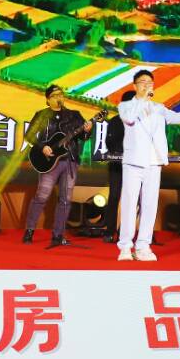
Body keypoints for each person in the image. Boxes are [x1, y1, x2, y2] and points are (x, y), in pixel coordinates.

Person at [116, 69, 180, 262]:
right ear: (135, 86)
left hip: (154, 161)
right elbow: (130, 120)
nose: (147, 85)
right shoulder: (125, 106)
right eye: (142, 82)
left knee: (149, 205)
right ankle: (125, 247)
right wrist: (142, 99)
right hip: (134, 162)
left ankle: (143, 246)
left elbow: (175, 118)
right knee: (129, 204)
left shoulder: (159, 108)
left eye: (150, 82)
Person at [22, 84, 86, 248]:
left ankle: (58, 235)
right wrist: (42, 146)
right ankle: (29, 230)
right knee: (42, 196)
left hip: (69, 160)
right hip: (49, 161)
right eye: (55, 95)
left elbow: (83, 136)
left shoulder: (74, 115)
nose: (59, 97)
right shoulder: (42, 115)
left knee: (65, 199)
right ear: (47, 99)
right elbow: (29, 135)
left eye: (61, 94)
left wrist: (88, 130)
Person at [100, 90, 134, 242]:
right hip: (116, 165)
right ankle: (109, 231)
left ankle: (124, 232)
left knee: (131, 199)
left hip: (134, 166)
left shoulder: (140, 121)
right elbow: (109, 142)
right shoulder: (115, 121)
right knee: (114, 197)